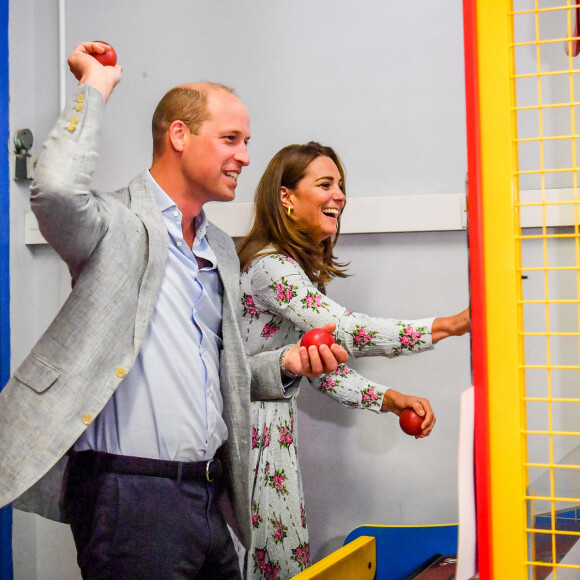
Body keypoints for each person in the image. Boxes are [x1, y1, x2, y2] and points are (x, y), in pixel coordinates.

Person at [0, 44, 348, 579]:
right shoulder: (115, 224)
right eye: (230, 139)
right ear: (179, 136)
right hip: (130, 496)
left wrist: (286, 367)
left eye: (246, 142)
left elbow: (215, 370)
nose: (245, 156)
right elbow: (55, 189)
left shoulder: (221, 250)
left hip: (210, 495)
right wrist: (94, 86)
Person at [236, 142, 471, 579]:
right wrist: (450, 325)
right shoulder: (271, 267)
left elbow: (319, 368)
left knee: (282, 562)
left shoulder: (294, 270)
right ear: (286, 197)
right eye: (325, 184)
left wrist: (390, 399)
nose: (339, 195)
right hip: (246, 437)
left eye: (340, 185)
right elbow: (346, 329)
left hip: (272, 437)